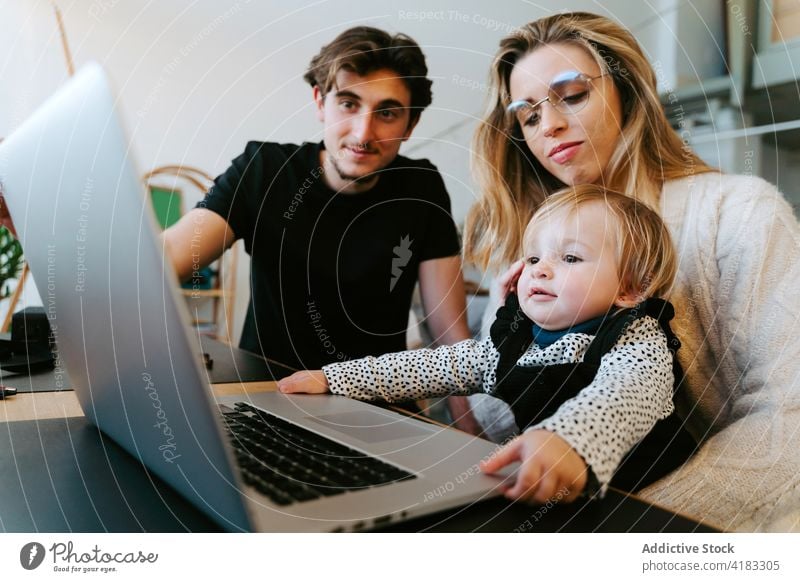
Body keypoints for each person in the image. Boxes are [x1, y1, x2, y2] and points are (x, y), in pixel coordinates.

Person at [454, 12, 800, 531]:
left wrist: (629, 531)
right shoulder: (540, 248)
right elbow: (502, 424)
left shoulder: (741, 214)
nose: (548, 124)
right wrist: (508, 327)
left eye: (571, 95)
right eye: (528, 116)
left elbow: (788, 422)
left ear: (628, 92)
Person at [278, 185, 693, 503]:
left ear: (630, 288)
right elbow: (435, 367)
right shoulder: (513, 339)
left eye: (569, 258)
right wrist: (336, 379)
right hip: (547, 485)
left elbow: (624, 394)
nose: (541, 271)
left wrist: (567, 439)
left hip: (637, 496)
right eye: (533, 259)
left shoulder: (636, 337)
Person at [162, 26, 470, 371]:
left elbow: (449, 335)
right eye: (348, 104)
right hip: (269, 395)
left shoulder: (422, 189)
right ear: (321, 102)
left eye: (387, 113)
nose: (362, 133)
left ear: (410, 124)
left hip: (376, 406)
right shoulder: (264, 169)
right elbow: (168, 257)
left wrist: (466, 420)